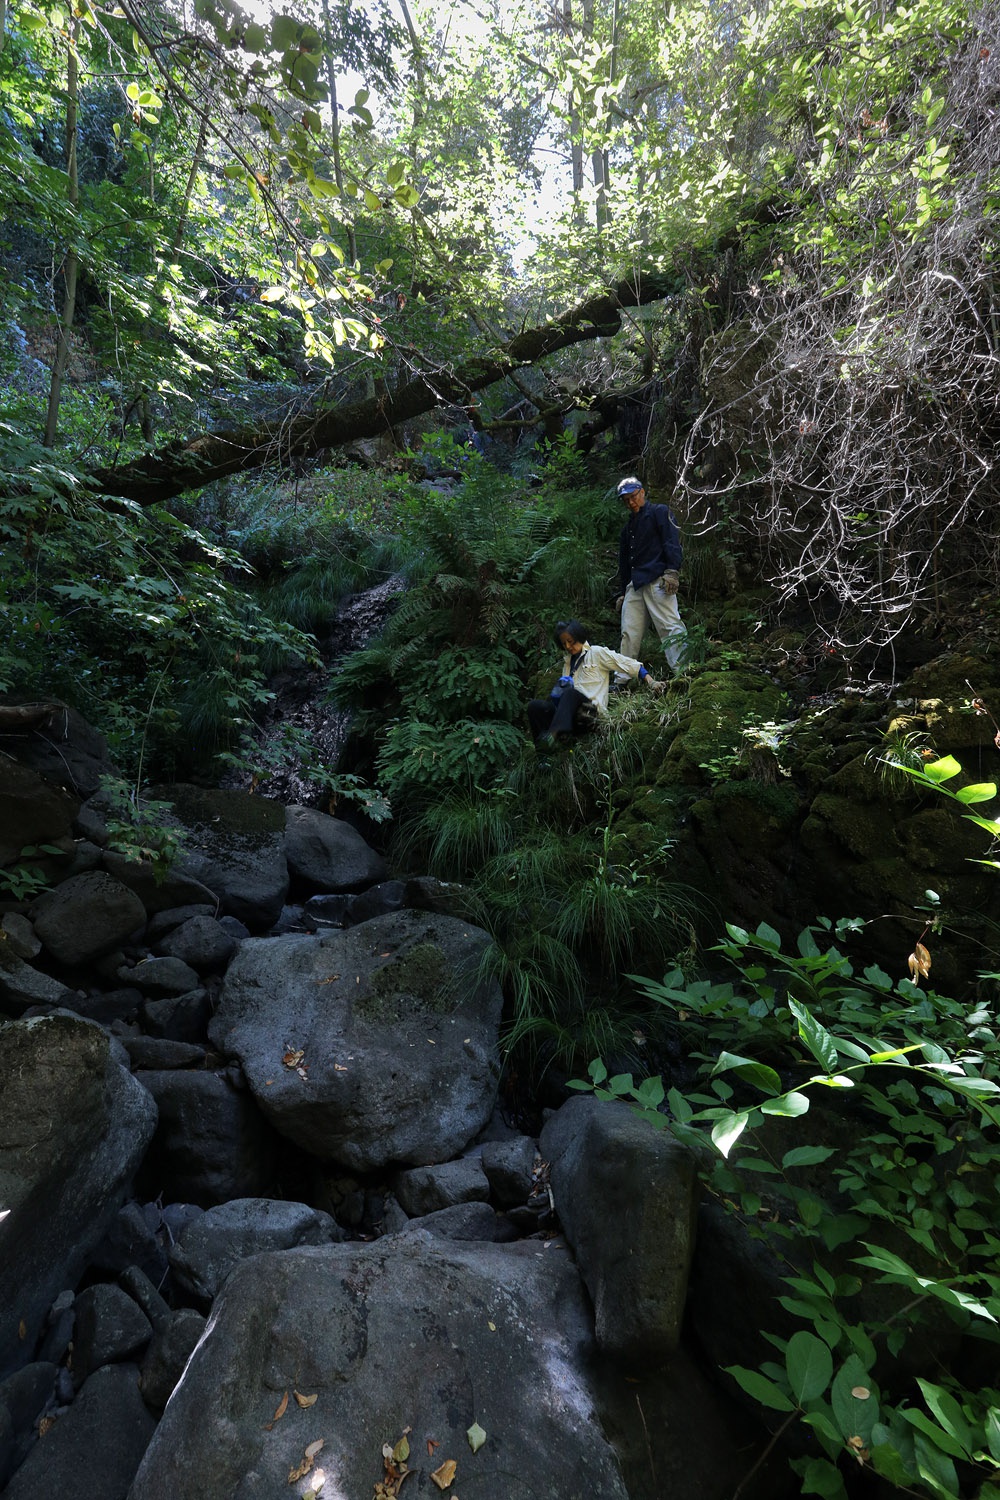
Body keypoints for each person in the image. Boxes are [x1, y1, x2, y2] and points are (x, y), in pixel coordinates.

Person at [526, 620, 664, 745]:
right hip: (570, 718)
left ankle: (552, 736)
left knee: (570, 694)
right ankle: (544, 756)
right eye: (564, 643)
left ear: (579, 637)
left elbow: (628, 664)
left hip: (590, 715)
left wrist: (651, 682)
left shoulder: (596, 653)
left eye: (571, 641)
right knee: (535, 706)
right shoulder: (567, 664)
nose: (568, 646)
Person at [615, 475, 688, 675]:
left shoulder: (659, 512)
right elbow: (625, 563)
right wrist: (623, 592)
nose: (631, 502)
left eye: (633, 496)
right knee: (629, 632)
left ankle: (685, 672)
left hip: (658, 580)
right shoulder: (627, 529)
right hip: (635, 584)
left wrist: (672, 571)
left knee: (670, 626)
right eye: (626, 499)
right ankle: (623, 679)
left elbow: (671, 541)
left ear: (642, 493)